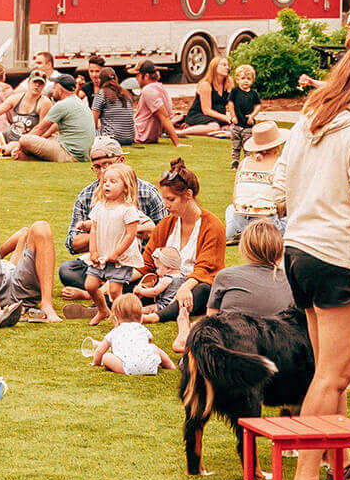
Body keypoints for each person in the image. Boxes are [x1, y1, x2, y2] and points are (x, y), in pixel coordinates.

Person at [273, 44, 350, 480]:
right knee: (336, 376)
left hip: (298, 252)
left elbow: (278, 192)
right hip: (340, 258)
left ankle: (341, 464)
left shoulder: (307, 121)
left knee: (328, 373)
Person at [139, 157, 227, 353]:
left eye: (171, 200)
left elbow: (206, 268)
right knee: (75, 272)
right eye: (165, 199)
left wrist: (186, 286)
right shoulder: (167, 224)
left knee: (202, 290)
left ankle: (157, 315)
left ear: (188, 195)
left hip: (195, 285)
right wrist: (121, 279)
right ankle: (102, 299)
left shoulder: (212, 225)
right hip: (163, 284)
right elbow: (146, 263)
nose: (166, 205)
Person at [59, 138, 167, 295]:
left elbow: (165, 234)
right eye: (97, 167)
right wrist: (107, 234)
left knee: (154, 273)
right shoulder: (87, 195)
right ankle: (119, 290)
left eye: (107, 165)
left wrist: (139, 232)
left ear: (122, 161)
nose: (102, 172)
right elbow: (72, 243)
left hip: (138, 261)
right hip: (100, 261)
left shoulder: (148, 192)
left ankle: (105, 292)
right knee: (67, 270)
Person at [84, 162, 145, 324]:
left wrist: (116, 253)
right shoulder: (99, 207)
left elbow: (130, 235)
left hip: (120, 259)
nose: (107, 185)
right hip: (101, 256)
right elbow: (94, 230)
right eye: (105, 182)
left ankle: (121, 320)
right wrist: (93, 252)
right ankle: (103, 310)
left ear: (125, 187)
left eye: (113, 182)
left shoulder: (128, 210)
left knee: (115, 291)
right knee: (90, 285)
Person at [0, 220, 61, 322]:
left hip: (21, 288)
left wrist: (0, 252)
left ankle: (47, 304)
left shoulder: (9, 263)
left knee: (41, 226)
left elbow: (24, 232)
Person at [207, 220, 293, 317]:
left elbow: (210, 320)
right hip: (278, 331)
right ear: (279, 247)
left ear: (245, 247)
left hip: (233, 330)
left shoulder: (225, 276)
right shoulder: (291, 279)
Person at [224, 120, 287, 244]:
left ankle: (242, 233)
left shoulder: (244, 162)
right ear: (277, 144)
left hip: (238, 224)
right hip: (268, 226)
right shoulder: (280, 164)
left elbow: (235, 199)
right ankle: (260, 235)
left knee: (230, 209)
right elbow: (280, 201)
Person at [15, 73, 95, 162]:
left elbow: (40, 129)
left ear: (60, 89)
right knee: (49, 137)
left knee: (25, 139)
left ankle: (22, 154)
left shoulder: (62, 105)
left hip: (69, 154)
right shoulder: (78, 102)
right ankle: (27, 157)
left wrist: (19, 145)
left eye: (54, 87)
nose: (53, 90)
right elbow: (51, 129)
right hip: (83, 154)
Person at [91, 293, 176, 376]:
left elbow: (99, 351)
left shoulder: (114, 332)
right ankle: (170, 365)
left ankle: (103, 364)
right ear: (141, 318)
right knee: (154, 347)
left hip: (127, 368)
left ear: (116, 319)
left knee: (106, 356)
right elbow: (150, 339)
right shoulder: (142, 328)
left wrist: (96, 362)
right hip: (151, 367)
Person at [0, 70, 51, 149]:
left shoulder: (44, 103)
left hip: (26, 141)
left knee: (4, 150)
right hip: (10, 135)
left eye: (40, 83)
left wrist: (22, 143)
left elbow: (42, 129)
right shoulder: (16, 98)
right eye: (35, 82)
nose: (37, 85)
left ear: (44, 86)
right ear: (28, 83)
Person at [180, 54, 232, 137]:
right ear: (214, 67)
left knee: (233, 127)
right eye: (224, 65)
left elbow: (231, 103)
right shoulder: (206, 85)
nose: (227, 68)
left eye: (228, 65)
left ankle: (215, 131)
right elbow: (206, 110)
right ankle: (179, 133)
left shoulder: (228, 83)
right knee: (214, 127)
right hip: (199, 115)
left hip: (218, 116)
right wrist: (224, 117)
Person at [131, 60, 181, 145]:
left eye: (138, 75)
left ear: (146, 76)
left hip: (139, 135)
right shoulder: (160, 87)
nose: (136, 78)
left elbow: (164, 117)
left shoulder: (148, 90)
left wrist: (177, 143)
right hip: (147, 135)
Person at [134, 246, 186, 322]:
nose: (156, 271)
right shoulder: (183, 277)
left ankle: (133, 313)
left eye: (158, 268)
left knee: (147, 309)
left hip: (164, 306)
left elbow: (155, 292)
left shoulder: (167, 279)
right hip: (175, 307)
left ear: (168, 268)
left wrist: (140, 290)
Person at [226, 62, 261, 169]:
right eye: (243, 78)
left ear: (252, 80)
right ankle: (235, 162)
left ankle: (247, 163)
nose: (246, 81)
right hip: (236, 124)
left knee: (248, 145)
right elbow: (230, 104)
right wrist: (233, 116)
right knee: (236, 145)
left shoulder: (253, 94)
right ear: (237, 79)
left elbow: (258, 106)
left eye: (248, 79)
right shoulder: (235, 92)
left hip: (248, 126)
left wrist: (252, 116)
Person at [90, 65, 135, 145]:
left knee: (86, 132)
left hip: (111, 138)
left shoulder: (102, 93)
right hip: (129, 138)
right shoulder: (126, 93)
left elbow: (92, 122)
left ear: (101, 80)